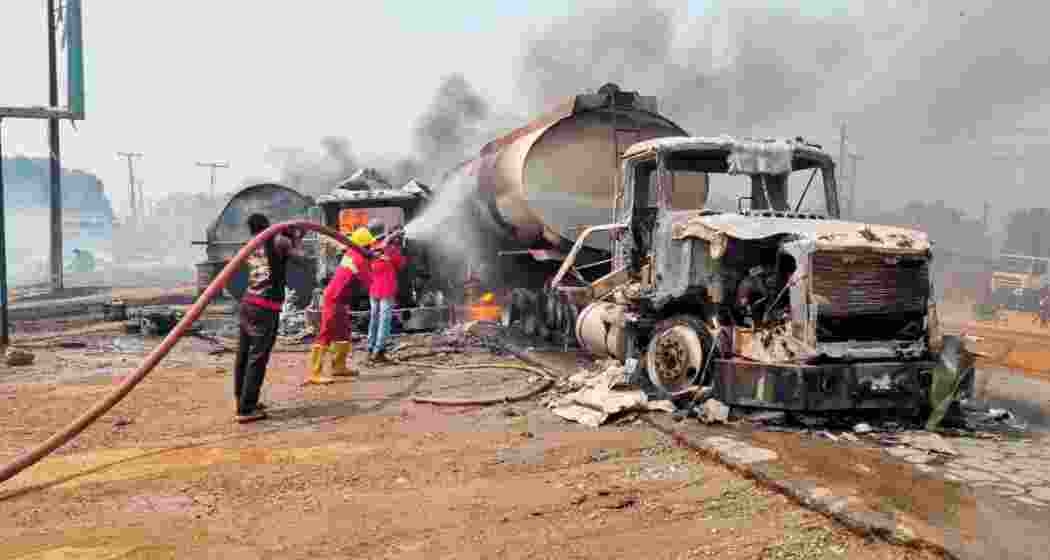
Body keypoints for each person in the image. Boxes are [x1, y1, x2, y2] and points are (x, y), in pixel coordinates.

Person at [233, 214, 305, 423]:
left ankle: (244, 401)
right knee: (258, 357)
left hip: (248, 303)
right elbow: (301, 259)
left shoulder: (250, 244)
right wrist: (296, 239)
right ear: (268, 226)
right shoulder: (278, 241)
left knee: (244, 356)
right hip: (265, 308)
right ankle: (246, 409)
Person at [307, 226, 375, 384]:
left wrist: (371, 257)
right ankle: (315, 372)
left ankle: (339, 366)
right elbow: (369, 282)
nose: (371, 247)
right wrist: (375, 261)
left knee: (344, 333)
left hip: (341, 300)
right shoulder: (359, 260)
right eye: (369, 245)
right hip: (334, 298)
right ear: (364, 247)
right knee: (326, 333)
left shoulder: (353, 253)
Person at [367, 222, 405, 363]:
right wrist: (398, 246)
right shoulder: (389, 248)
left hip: (373, 289)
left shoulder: (368, 247)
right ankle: (379, 351)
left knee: (374, 318)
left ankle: (371, 347)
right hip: (387, 289)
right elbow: (400, 264)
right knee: (384, 320)